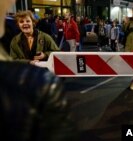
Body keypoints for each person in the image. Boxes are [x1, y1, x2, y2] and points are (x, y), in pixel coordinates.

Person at [0, 1, 78, 141]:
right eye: (22, 22)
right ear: (18, 25)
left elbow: (56, 52)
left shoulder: (45, 37)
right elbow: (13, 59)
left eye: (28, 21)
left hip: (44, 81)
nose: (25, 24)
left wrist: (45, 55)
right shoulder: (14, 41)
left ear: (33, 22)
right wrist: (28, 62)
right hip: (23, 82)